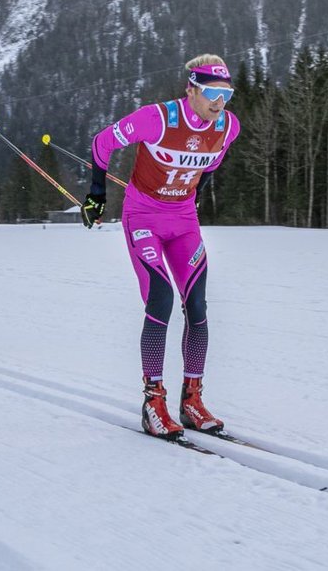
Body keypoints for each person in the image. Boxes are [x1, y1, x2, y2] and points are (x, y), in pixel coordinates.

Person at [81, 55, 241, 440]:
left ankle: (192, 400)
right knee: (161, 299)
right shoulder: (157, 118)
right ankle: (153, 401)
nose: (219, 103)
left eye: (226, 94)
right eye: (211, 93)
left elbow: (211, 164)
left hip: (184, 222)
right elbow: (102, 143)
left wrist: (192, 191)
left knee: (198, 307)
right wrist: (97, 195)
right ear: (191, 90)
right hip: (144, 219)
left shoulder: (227, 126)